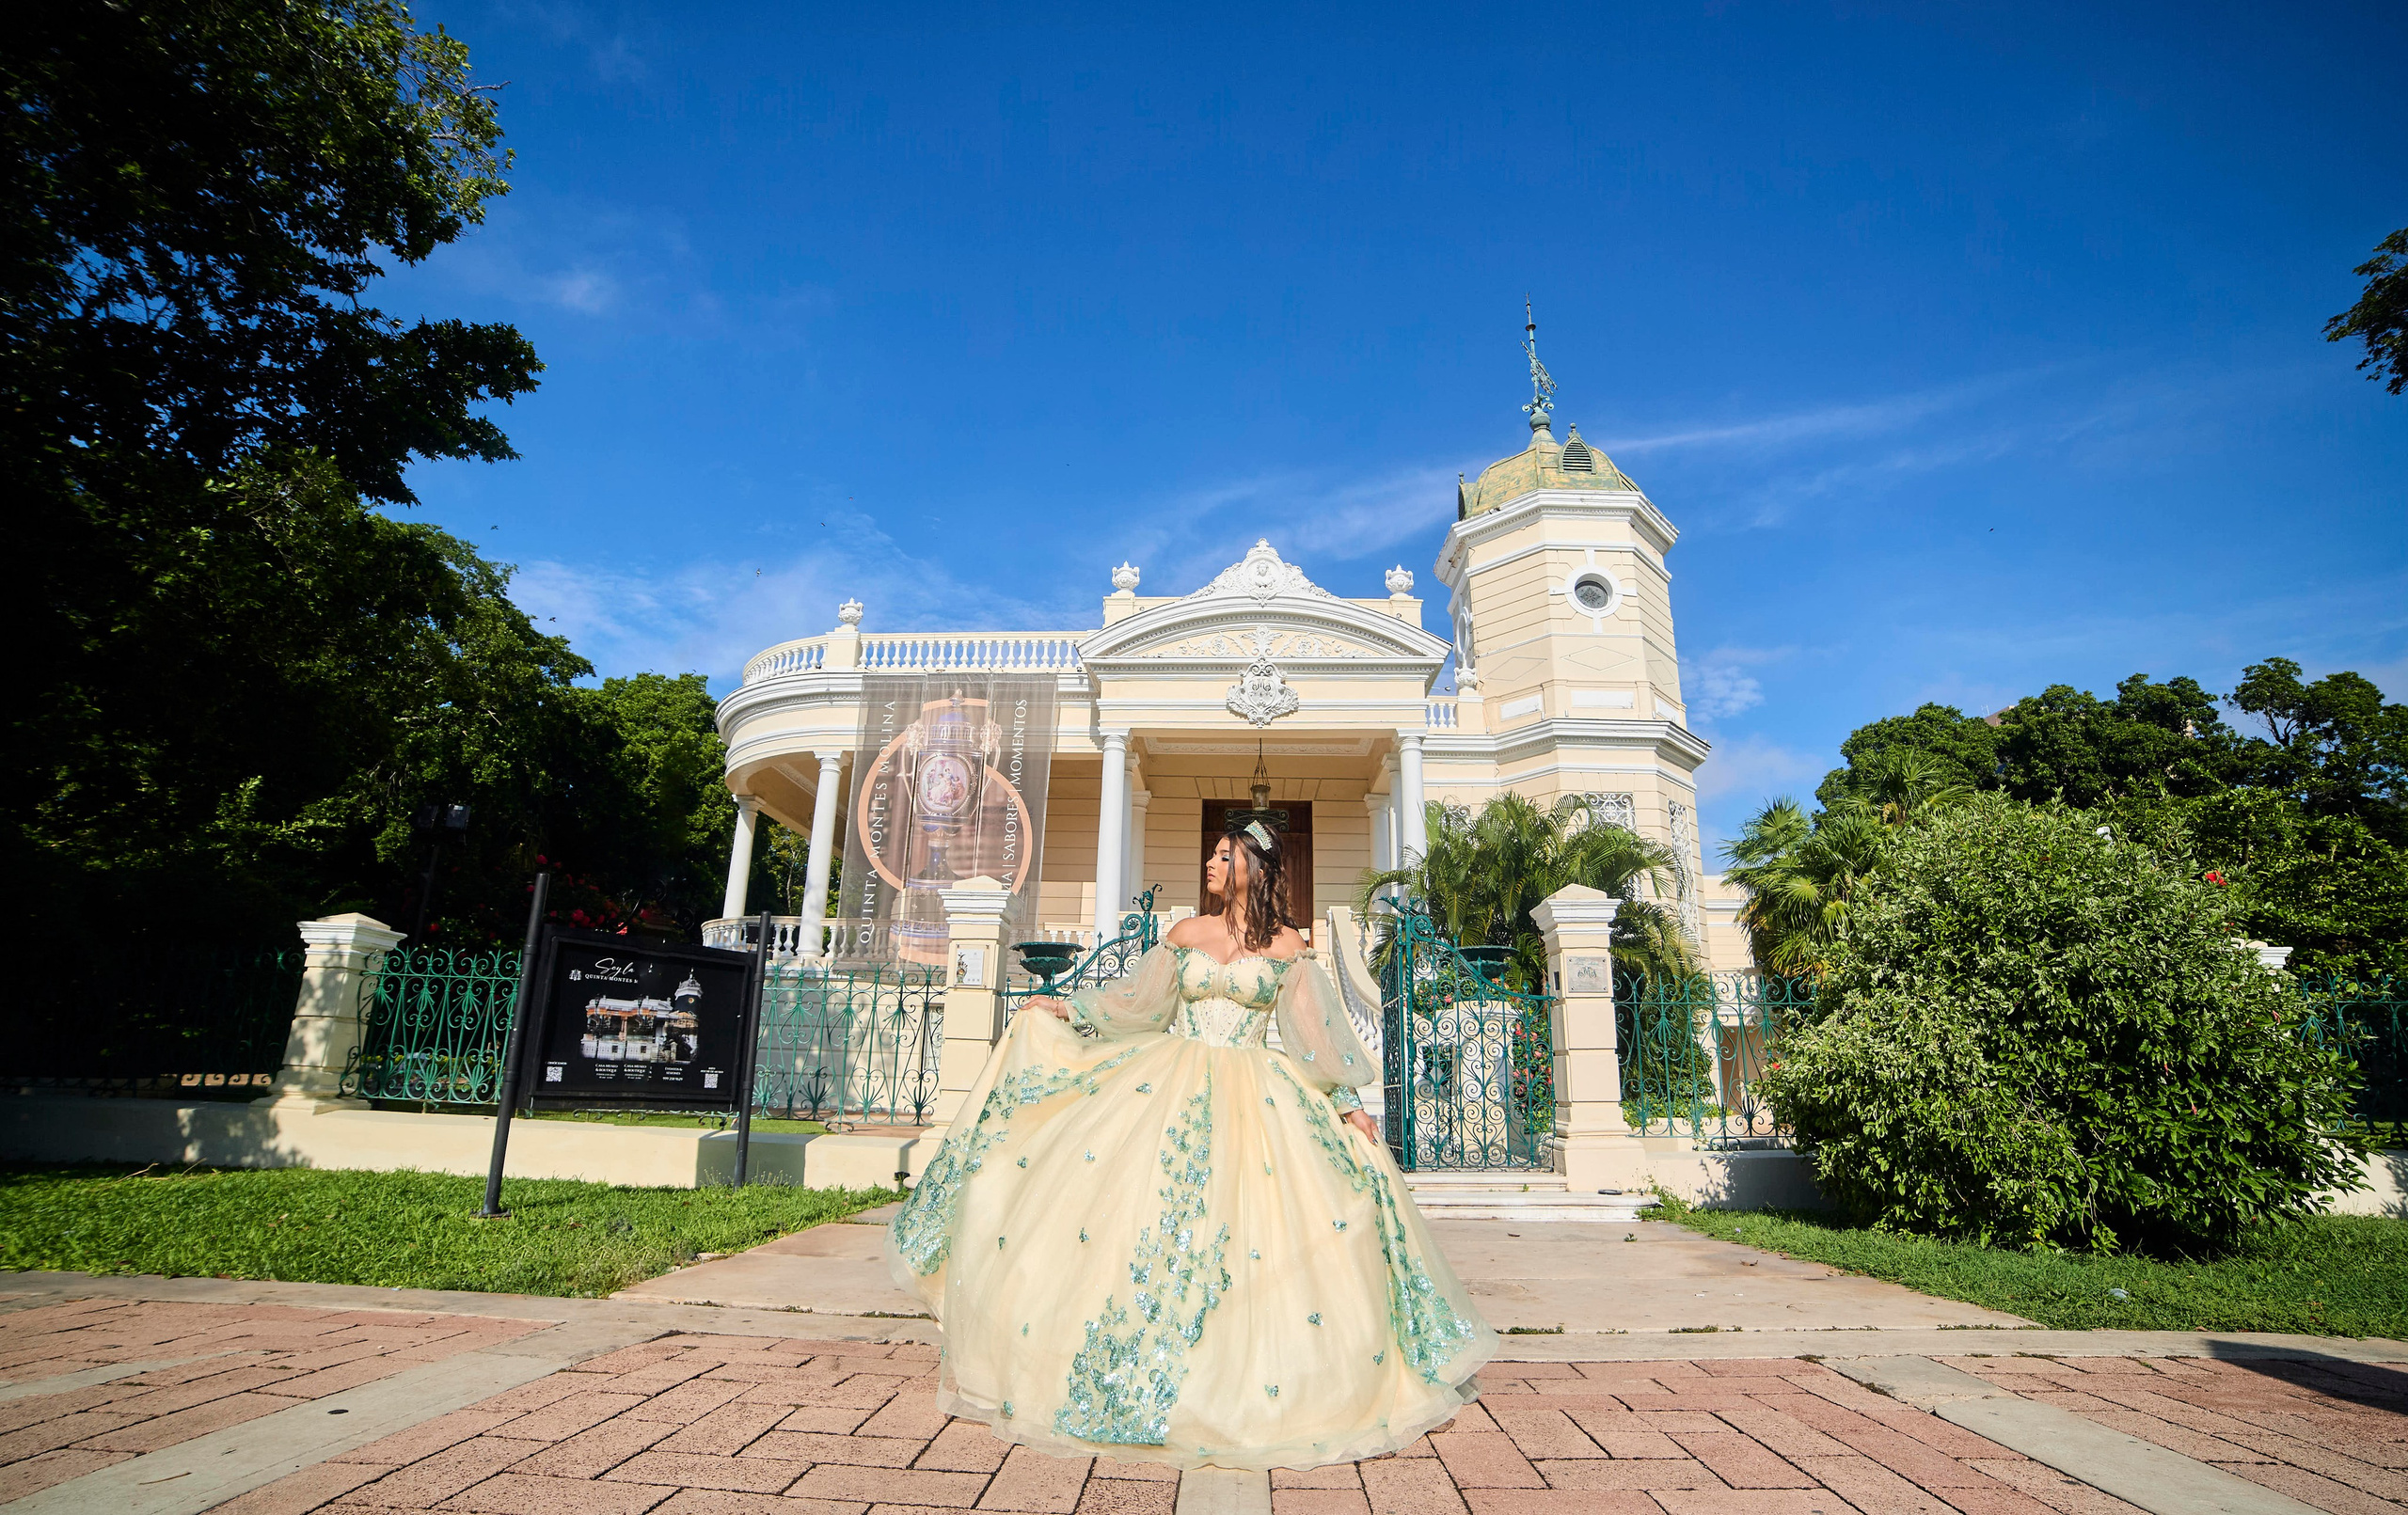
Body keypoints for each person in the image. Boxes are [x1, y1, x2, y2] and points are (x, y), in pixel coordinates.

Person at [886, 820, 1495, 1472]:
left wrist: (1348, 1105)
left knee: (1264, 1235)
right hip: (1172, 1084)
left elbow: (1310, 1035)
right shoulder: (1184, 935)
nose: (1209, 861)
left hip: (1262, 1098)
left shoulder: (1290, 947)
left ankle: (1259, 1386)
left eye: (1223, 854)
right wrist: (1068, 1010)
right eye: (1211, 851)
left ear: (1252, 868)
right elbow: (1139, 1005)